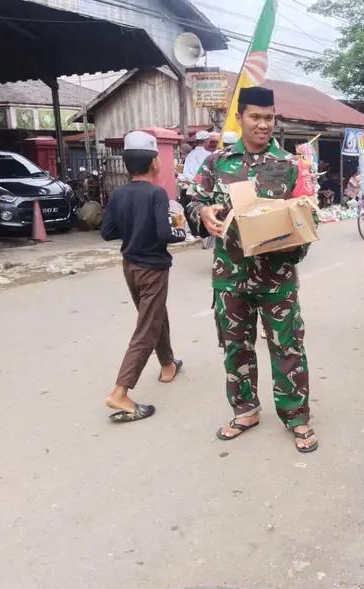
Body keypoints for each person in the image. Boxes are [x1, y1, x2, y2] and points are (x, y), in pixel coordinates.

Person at [191, 86, 318, 453]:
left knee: (288, 346)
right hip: (230, 273)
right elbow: (197, 198)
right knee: (235, 346)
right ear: (241, 118)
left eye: (269, 118)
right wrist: (203, 211)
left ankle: (297, 416)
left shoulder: (291, 166)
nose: (264, 125)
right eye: (256, 117)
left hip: (277, 277)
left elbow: (308, 216)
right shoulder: (218, 163)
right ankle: (245, 409)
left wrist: (296, 237)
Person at [100, 131, 187, 422]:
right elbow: (166, 234)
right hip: (153, 267)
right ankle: (120, 392)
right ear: (153, 163)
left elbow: (108, 232)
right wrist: (180, 230)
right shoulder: (157, 193)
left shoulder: (118, 194)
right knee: (146, 327)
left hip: (130, 266)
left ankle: (167, 364)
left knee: (154, 315)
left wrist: (134, 228)